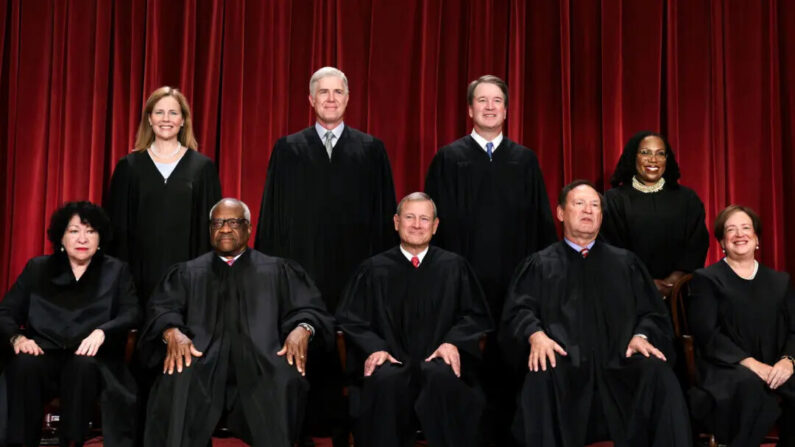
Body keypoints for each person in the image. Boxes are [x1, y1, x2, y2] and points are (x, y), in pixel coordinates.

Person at [255, 66, 396, 444]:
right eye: (323, 92)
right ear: (311, 100)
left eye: (338, 92)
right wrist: (270, 272)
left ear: (348, 98)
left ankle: (347, 427)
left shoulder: (371, 150)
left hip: (356, 272)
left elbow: (385, 219)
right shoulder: (288, 149)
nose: (331, 99)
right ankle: (302, 428)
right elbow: (272, 214)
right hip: (303, 271)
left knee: (350, 348)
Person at [501, 180, 691, 446]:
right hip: (563, 365)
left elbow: (653, 313)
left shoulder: (626, 264)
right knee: (540, 374)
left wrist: (642, 336)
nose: (588, 211)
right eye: (579, 204)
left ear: (602, 215)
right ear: (560, 212)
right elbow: (518, 310)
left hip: (621, 363)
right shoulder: (540, 265)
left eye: (595, 206)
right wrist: (536, 335)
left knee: (658, 373)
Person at [424, 74, 557, 445]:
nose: (489, 106)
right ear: (469, 109)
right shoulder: (448, 159)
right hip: (462, 282)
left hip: (515, 283)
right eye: (481, 100)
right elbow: (432, 229)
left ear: (506, 110)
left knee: (512, 363)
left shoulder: (524, 161)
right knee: (465, 365)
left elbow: (542, 225)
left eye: (496, 100)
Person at [139, 198, 334, 447]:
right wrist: (171, 331)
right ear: (210, 229)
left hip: (264, 360)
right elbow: (162, 309)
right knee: (177, 376)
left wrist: (303, 328)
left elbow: (309, 307)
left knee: (285, 378)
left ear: (249, 228)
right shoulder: (187, 273)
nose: (225, 229)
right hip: (201, 361)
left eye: (234, 222)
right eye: (218, 223)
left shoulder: (278, 270)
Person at [336, 192, 492, 447]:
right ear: (396, 222)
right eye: (410, 217)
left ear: (435, 225)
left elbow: (475, 315)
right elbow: (351, 320)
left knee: (444, 379)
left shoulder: (454, 267)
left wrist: (452, 343)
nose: (417, 225)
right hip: (391, 360)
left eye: (424, 219)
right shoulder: (373, 269)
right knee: (384, 381)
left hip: (438, 360)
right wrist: (376, 348)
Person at [0, 201, 140, 447]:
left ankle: (72, 442)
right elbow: (6, 312)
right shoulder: (38, 268)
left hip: (90, 357)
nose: (82, 238)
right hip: (44, 353)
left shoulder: (116, 270)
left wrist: (102, 331)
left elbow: (132, 313)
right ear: (61, 238)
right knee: (23, 365)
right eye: (74, 231)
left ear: (100, 238)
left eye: (90, 231)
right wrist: (17, 338)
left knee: (82, 367)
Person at [688, 205, 795, 445]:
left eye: (746, 228)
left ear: (756, 238)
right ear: (722, 242)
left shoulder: (780, 281)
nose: (740, 234)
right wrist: (753, 364)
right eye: (731, 230)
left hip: (776, 364)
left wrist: (788, 361)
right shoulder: (706, 279)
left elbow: (793, 330)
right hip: (726, 366)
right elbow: (707, 334)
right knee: (750, 387)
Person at [104, 86, 222, 304]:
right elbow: (116, 231)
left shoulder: (202, 168)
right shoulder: (129, 167)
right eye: (159, 112)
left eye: (173, 113)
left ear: (183, 120)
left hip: (188, 281)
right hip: (137, 281)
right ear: (149, 119)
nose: (166, 119)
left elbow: (211, 231)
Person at [601, 130, 709, 298]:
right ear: (633, 157)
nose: (653, 160)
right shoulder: (614, 200)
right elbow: (611, 249)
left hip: (678, 296)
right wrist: (646, 284)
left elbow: (697, 243)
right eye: (645, 153)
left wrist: (674, 281)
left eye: (660, 154)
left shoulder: (687, 199)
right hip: (630, 294)